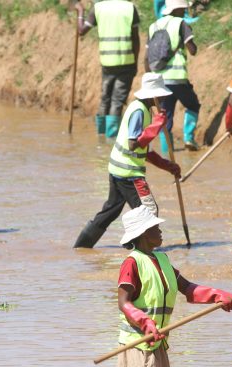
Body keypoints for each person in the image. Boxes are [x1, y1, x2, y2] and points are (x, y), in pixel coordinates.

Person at [114, 205, 232, 367]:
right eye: (155, 228)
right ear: (142, 234)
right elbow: (124, 303)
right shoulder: (131, 263)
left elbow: (187, 289)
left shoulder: (162, 260)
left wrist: (218, 295)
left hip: (156, 341)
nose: (160, 231)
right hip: (138, 341)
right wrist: (145, 322)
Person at [74, 73, 181, 248]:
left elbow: (144, 150)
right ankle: (140, 248)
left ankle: (81, 247)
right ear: (153, 95)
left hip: (118, 169)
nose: (162, 98)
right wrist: (156, 125)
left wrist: (168, 166)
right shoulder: (139, 111)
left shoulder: (144, 110)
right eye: (161, 95)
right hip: (129, 173)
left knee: (110, 211)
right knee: (149, 211)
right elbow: (133, 144)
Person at [74, 0, 140, 138]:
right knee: (117, 100)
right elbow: (135, 38)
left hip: (107, 62)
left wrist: (80, 12)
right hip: (126, 61)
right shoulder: (129, 8)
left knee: (105, 99)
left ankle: (101, 136)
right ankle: (111, 139)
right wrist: (135, 62)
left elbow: (81, 31)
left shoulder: (98, 8)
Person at [146, 0, 201, 152]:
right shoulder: (181, 24)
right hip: (178, 77)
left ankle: (166, 151)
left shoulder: (153, 26)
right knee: (193, 105)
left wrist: (150, 78)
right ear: (177, 9)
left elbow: (146, 57)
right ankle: (189, 138)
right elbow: (192, 50)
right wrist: (191, 44)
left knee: (165, 115)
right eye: (183, 9)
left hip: (160, 80)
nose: (184, 12)